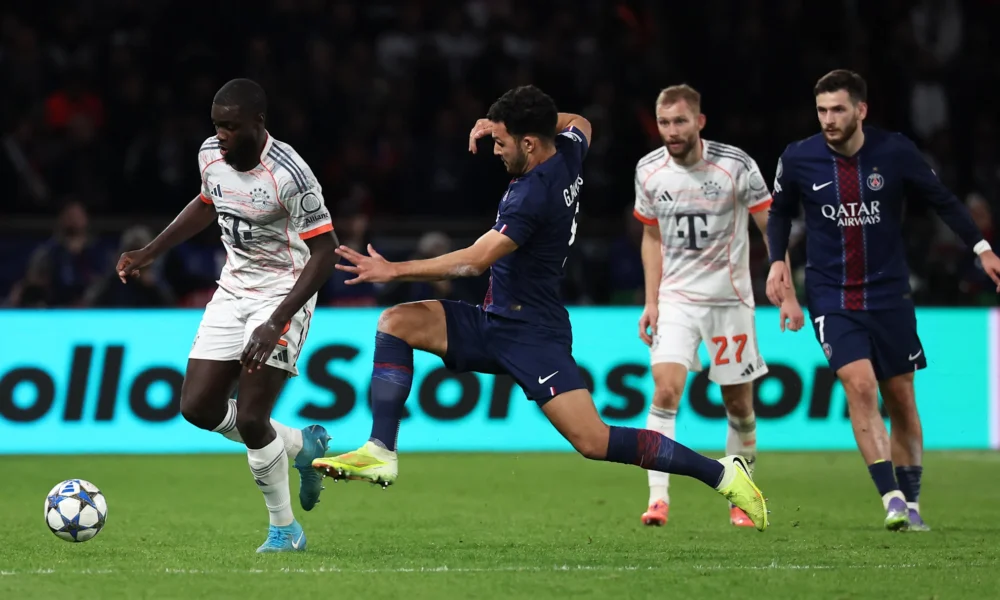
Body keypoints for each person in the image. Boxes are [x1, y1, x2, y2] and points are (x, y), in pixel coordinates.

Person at [311, 85, 769, 531]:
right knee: (396, 322)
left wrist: (394, 269)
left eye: (501, 142)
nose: (495, 150)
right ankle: (381, 451)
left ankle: (723, 474)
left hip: (533, 334)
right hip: (495, 319)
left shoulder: (533, 195)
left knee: (594, 441)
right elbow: (580, 121)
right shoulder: (567, 150)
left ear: (529, 143)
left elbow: (474, 261)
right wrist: (500, 121)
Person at [766, 69, 1000, 531]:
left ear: (861, 110)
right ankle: (890, 498)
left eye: (837, 109)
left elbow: (943, 200)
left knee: (901, 399)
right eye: (821, 110)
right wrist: (777, 263)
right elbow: (779, 213)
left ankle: (912, 503)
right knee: (859, 386)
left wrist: (982, 248)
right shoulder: (798, 157)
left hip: (889, 293)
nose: (828, 119)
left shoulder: (894, 151)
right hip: (832, 294)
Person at [115, 78, 339, 552]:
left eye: (232, 127)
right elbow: (206, 202)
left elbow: (325, 253)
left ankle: (285, 530)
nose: (222, 135)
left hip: (283, 293)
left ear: (259, 123)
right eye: (217, 125)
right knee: (197, 408)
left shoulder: (291, 175)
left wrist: (277, 320)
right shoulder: (209, 154)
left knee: (254, 417)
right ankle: (302, 446)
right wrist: (151, 251)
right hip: (233, 288)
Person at [633, 84, 804, 528]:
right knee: (665, 391)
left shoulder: (734, 165)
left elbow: (770, 225)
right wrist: (651, 301)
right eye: (664, 122)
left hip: (730, 301)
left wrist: (787, 292)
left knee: (739, 406)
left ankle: (740, 496)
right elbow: (651, 237)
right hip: (676, 299)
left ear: (700, 122)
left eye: (680, 121)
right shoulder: (649, 170)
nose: (672, 130)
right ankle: (658, 499)